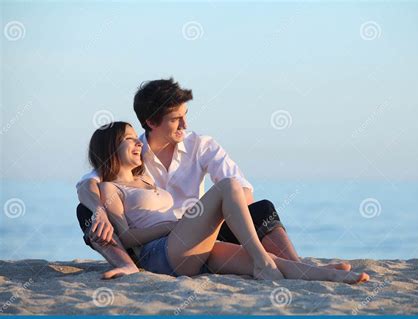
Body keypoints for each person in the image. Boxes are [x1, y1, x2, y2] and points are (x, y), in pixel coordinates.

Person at [76, 78, 351, 279]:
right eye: (175, 119)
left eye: (186, 116)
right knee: (85, 210)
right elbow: (89, 183)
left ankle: (309, 270)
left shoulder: (201, 145)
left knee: (261, 208)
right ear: (151, 122)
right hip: (164, 243)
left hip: (205, 226)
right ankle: (124, 262)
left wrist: (208, 216)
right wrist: (100, 209)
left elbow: (242, 191)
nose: (185, 125)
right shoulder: (133, 155)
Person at [87, 121, 370, 283]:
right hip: (160, 253)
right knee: (227, 187)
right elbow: (128, 236)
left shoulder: (145, 181)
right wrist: (173, 226)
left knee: (267, 260)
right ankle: (263, 261)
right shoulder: (110, 188)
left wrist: (179, 225)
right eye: (128, 139)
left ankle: (324, 275)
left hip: (185, 247)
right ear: (111, 148)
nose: (138, 143)